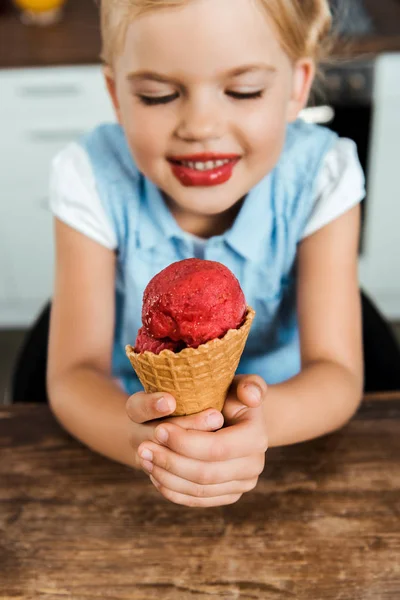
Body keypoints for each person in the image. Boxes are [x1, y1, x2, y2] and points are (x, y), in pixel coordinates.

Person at [47, 0, 365, 507]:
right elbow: (72, 378)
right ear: (115, 94)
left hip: (286, 451)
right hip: (126, 450)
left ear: (297, 87)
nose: (200, 125)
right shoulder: (91, 178)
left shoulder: (321, 175)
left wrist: (259, 424)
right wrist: (152, 444)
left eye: (244, 90)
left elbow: (338, 375)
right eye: (157, 95)